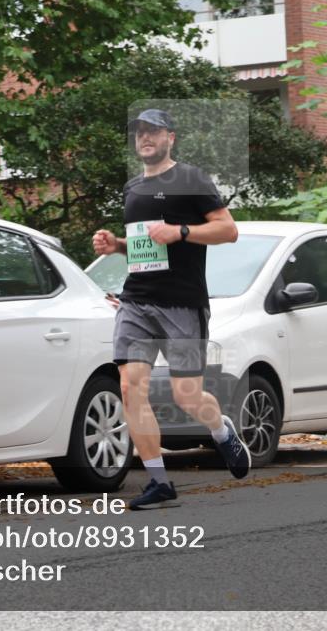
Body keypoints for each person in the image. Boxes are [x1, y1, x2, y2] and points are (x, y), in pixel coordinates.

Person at [92, 108, 251, 510]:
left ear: (170, 138)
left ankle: (221, 430)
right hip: (137, 301)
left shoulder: (191, 179)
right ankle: (159, 481)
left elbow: (228, 230)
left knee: (187, 396)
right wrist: (118, 246)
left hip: (182, 303)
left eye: (153, 132)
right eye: (139, 132)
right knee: (130, 386)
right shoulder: (131, 188)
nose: (145, 138)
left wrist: (181, 231)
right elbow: (149, 244)